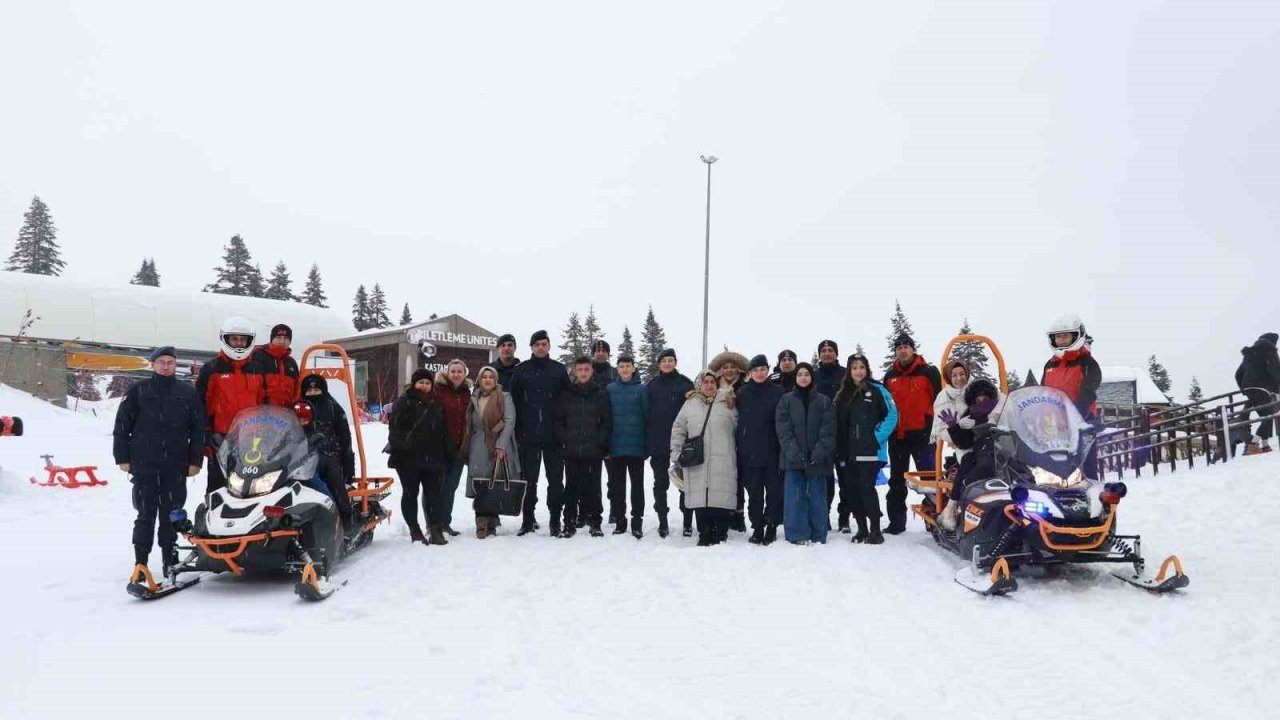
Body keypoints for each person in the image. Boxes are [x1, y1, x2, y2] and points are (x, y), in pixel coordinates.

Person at [113, 346, 205, 576]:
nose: (166, 366)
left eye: (170, 362)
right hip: (144, 465)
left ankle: (169, 560)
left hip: (175, 465)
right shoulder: (138, 390)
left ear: (175, 365)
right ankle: (140, 562)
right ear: (153, 364)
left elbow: (197, 430)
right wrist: (122, 458)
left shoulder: (188, 393)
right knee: (145, 516)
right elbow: (122, 426)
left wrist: (195, 461)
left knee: (171, 515)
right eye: (161, 362)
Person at [195, 317, 268, 495]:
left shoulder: (257, 369)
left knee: (249, 485)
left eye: (243, 339)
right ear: (225, 339)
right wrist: (205, 435)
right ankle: (212, 516)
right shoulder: (211, 369)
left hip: (251, 439)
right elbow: (200, 404)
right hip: (221, 438)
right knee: (218, 486)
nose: (238, 343)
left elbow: (263, 402)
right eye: (234, 339)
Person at [509, 330, 570, 536]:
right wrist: (518, 431)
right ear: (532, 347)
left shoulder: (559, 370)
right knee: (529, 481)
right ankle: (528, 520)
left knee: (555, 481)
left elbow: (566, 403)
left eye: (544, 344)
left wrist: (563, 430)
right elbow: (513, 403)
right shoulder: (522, 370)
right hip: (529, 436)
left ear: (549, 345)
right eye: (537, 344)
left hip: (554, 437)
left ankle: (555, 520)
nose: (541, 347)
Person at [670, 368, 739, 546]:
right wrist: (676, 452)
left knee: (720, 494)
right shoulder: (690, 403)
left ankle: (720, 532)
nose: (709, 385)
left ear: (717, 384)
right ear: (699, 384)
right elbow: (678, 428)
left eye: (712, 382)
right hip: (697, 458)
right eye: (705, 382)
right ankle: (704, 532)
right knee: (701, 497)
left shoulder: (728, 401)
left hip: (723, 458)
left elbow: (740, 428)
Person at [834, 354, 897, 544]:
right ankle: (861, 529)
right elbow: (836, 422)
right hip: (848, 451)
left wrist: (875, 437)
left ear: (867, 369)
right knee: (852, 491)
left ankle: (875, 530)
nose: (858, 371)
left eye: (861, 367)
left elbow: (892, 416)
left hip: (870, 451)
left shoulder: (878, 390)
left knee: (866, 489)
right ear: (849, 371)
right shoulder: (842, 394)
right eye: (854, 368)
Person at [882, 334, 942, 535]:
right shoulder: (890, 376)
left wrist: (938, 428)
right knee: (897, 481)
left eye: (906, 347)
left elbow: (940, 400)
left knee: (931, 479)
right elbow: (886, 406)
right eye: (899, 347)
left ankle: (936, 519)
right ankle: (897, 523)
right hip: (899, 437)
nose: (903, 350)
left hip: (924, 436)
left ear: (913, 349)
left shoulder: (929, 372)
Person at [387, 369, 453, 545]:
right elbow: (395, 429)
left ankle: (435, 529)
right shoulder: (404, 402)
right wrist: (403, 447)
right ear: (414, 383)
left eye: (427, 383)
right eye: (421, 382)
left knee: (434, 495)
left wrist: (448, 452)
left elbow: (444, 430)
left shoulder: (437, 403)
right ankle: (414, 530)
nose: (424, 386)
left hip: (434, 457)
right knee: (411, 493)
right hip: (409, 459)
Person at [776, 363, 836, 545]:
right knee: (795, 498)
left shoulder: (825, 401)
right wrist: (794, 452)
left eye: (806, 374)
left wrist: (819, 452)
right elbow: (783, 430)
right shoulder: (785, 400)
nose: (803, 377)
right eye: (800, 374)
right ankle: (797, 533)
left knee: (818, 497)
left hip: (818, 459)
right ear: (795, 378)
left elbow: (829, 430)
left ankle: (819, 533)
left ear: (812, 377)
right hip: (793, 459)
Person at [554, 357, 612, 537]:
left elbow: (606, 422)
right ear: (575, 371)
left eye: (587, 369)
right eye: (580, 369)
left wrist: (600, 443)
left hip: (593, 450)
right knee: (571, 488)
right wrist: (564, 439)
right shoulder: (566, 394)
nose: (584, 373)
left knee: (593, 488)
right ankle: (569, 523)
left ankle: (595, 522)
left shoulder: (600, 394)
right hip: (571, 450)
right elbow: (559, 421)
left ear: (592, 371)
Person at [936, 378, 1002, 531]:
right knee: (970, 466)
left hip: (1001, 449)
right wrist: (955, 427)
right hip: (975, 450)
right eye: (978, 396)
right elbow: (964, 442)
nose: (981, 399)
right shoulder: (970, 413)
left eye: (985, 395)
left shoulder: (1001, 409)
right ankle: (952, 507)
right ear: (972, 398)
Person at [296, 373, 357, 538]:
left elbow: (345, 436)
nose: (313, 393)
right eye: (309, 390)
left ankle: (346, 520)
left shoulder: (332, 407)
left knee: (336, 484)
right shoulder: (297, 408)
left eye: (316, 390)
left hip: (328, 454)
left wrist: (348, 461)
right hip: (303, 458)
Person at [463, 366, 520, 539]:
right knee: (480, 483)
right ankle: (481, 523)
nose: (487, 380)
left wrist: (501, 446)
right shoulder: (474, 397)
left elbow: (509, 421)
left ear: (496, 380)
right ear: (479, 380)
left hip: (498, 442)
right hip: (478, 444)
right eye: (484, 377)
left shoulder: (505, 397)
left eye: (491, 377)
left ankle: (492, 520)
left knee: (495, 480)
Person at [646, 348, 695, 538]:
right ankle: (663, 521)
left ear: (675, 362)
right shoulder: (652, 385)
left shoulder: (685, 384)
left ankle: (687, 522)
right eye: (664, 360)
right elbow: (647, 414)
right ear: (659, 364)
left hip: (683, 443)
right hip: (659, 443)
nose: (667, 363)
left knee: (685, 484)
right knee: (660, 484)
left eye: (670, 360)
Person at [736, 354, 785, 545]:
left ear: (768, 370)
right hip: (749, 452)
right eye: (755, 370)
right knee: (754, 494)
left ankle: (771, 526)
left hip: (773, 451)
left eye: (763, 369)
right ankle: (757, 527)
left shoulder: (778, 392)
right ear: (749, 373)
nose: (759, 373)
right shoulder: (742, 393)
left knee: (773, 494)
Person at [606, 354, 648, 537]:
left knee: (637, 487)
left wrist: (647, 445)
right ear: (617, 368)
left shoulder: (642, 390)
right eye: (621, 366)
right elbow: (606, 419)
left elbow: (648, 418)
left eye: (628, 366)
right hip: (616, 447)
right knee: (617, 487)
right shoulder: (610, 389)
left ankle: (637, 521)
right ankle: (620, 521)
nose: (625, 369)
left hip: (636, 447)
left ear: (633, 368)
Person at [709, 350, 748, 530]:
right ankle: (724, 513)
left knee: (739, 477)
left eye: (733, 367)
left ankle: (738, 515)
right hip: (721, 437)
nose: (729, 370)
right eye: (726, 367)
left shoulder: (745, 386)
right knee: (723, 477)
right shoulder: (715, 387)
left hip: (742, 435)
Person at [435, 360, 473, 537]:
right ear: (447, 373)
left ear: (464, 374)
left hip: (459, 448)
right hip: (441, 447)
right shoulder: (438, 390)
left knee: (451, 486)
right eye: (453, 371)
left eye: (460, 371)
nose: (456, 374)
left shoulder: (467, 393)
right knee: (437, 487)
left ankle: (445, 522)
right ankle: (433, 523)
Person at [1041, 315, 1102, 421]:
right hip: (1055, 419)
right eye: (1058, 337)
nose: (1061, 340)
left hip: (1083, 417)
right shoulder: (1050, 365)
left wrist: (1079, 410)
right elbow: (1042, 390)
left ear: (1075, 337)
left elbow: (1089, 389)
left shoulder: (1087, 362)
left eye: (1065, 336)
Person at [813, 340, 847, 529]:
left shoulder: (844, 375)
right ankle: (823, 516)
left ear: (836, 353)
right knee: (824, 479)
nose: (827, 353)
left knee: (846, 479)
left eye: (830, 350)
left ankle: (844, 516)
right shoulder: (814, 376)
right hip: (822, 435)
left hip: (843, 434)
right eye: (823, 350)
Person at [1235, 332, 1280, 455]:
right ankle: (1253, 444)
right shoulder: (1270, 351)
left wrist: (1244, 389)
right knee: (1271, 414)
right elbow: (1275, 371)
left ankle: (1265, 445)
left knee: (1266, 415)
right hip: (1264, 388)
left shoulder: (1249, 354)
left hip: (1250, 390)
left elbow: (1238, 374)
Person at [932, 360, 972, 466]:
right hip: (962, 442)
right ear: (949, 378)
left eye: (962, 374)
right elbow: (941, 429)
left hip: (984, 437)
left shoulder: (977, 388)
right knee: (969, 463)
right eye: (954, 375)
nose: (959, 378)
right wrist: (955, 431)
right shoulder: (943, 398)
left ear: (967, 374)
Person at [252, 323, 299, 408]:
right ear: (272, 339)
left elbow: (297, 391)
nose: (282, 341)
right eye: (278, 338)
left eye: (286, 338)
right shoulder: (257, 356)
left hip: (285, 415)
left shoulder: (291, 362)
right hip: (260, 414)